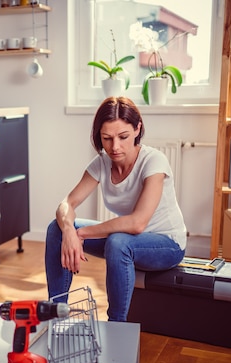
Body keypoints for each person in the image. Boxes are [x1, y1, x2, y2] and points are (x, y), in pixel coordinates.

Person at [45, 96, 187, 321]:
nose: (115, 147)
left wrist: (79, 233)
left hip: (166, 244)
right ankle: (56, 312)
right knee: (57, 229)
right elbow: (67, 204)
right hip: (128, 241)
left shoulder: (154, 162)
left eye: (123, 137)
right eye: (107, 138)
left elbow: (137, 222)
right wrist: (69, 231)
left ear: (137, 128)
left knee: (118, 242)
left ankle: (116, 325)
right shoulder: (101, 163)